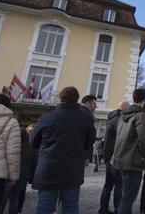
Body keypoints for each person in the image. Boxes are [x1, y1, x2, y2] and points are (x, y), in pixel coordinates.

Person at [31, 86, 95, 214]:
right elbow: (90, 141)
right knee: (70, 205)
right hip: (72, 168)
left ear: (61, 98)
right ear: (77, 99)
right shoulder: (85, 118)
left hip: (49, 168)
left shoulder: (47, 117)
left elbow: (33, 141)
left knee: (45, 206)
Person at [111, 89, 145, 214]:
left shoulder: (122, 116)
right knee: (129, 197)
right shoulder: (141, 115)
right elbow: (144, 140)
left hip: (120, 159)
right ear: (144, 100)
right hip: (133, 161)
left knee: (125, 195)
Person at [100, 101, 129, 214]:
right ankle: (118, 209)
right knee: (119, 184)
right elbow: (122, 139)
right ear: (125, 109)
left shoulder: (111, 118)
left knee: (108, 184)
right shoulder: (120, 120)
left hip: (108, 155)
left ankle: (103, 208)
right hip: (115, 156)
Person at [7, 127, 34, 214]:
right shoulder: (30, 148)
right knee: (16, 196)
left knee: (5, 197)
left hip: (10, 173)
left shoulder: (11, 146)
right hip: (23, 174)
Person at [81, 95, 98, 168]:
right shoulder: (86, 115)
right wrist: (85, 156)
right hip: (81, 154)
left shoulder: (81, 112)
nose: (95, 107)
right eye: (94, 104)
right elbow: (87, 138)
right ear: (88, 103)